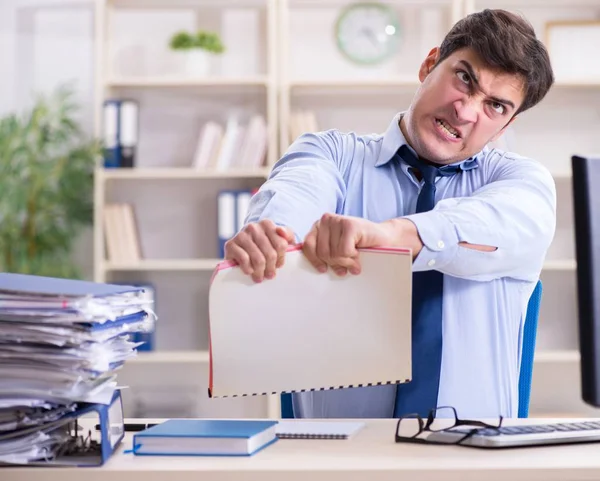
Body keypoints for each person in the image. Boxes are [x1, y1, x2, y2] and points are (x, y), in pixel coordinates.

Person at [224, 8, 556, 420]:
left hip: (473, 459)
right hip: (339, 457)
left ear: (506, 126)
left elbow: (498, 221)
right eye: (465, 79)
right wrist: (271, 236)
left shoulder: (521, 182)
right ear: (429, 64)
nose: (466, 111)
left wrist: (396, 237)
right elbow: (295, 193)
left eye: (495, 106)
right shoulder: (331, 153)